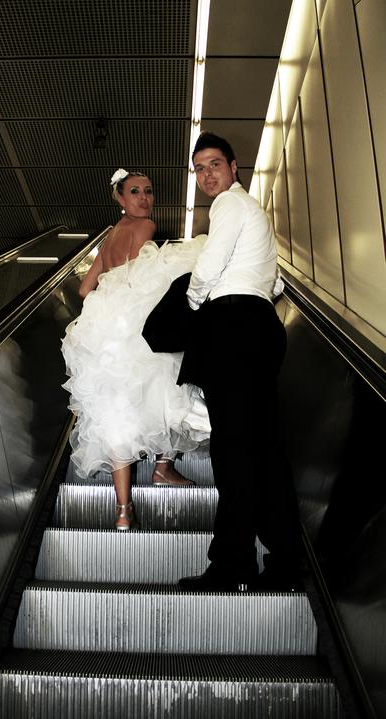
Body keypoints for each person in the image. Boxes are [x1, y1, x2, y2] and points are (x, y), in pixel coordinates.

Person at [175, 132, 303, 592]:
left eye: (214, 164)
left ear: (234, 167)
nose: (207, 174)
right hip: (261, 329)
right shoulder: (256, 212)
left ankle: (232, 565)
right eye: (199, 168)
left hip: (232, 329)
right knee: (264, 449)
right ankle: (284, 563)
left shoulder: (229, 204)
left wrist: (193, 304)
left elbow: (210, 265)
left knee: (233, 452)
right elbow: (276, 283)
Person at [61, 169, 210, 531]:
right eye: (135, 192)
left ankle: (123, 511)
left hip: (106, 332)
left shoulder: (110, 236)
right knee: (170, 385)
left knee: (116, 414)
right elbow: (134, 277)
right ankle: (162, 468)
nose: (144, 198)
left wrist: (108, 303)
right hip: (133, 324)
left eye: (148, 191)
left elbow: (84, 290)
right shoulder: (146, 226)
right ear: (120, 197)